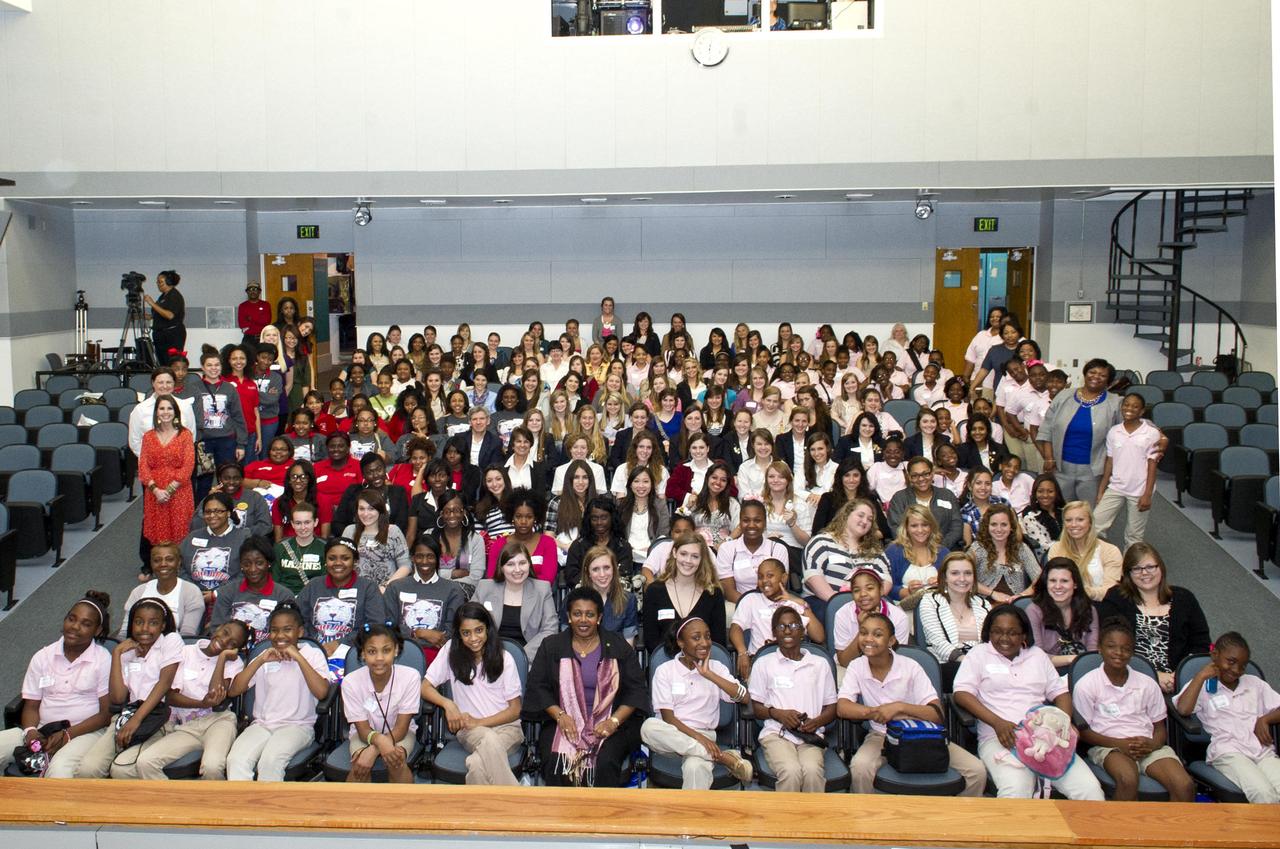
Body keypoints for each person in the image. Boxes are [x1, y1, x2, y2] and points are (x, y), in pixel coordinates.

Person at [951, 603, 1104, 799]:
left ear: (1024, 635)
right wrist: (997, 723)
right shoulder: (979, 654)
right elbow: (962, 694)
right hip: (1000, 737)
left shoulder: (1037, 656)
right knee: (1016, 791)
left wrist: (1062, 723)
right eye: (997, 632)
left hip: (1046, 736)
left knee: (1090, 791)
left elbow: (1060, 693)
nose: (1004, 638)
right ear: (989, 632)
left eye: (1012, 633)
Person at [839, 611, 986, 796]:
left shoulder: (911, 666)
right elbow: (843, 707)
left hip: (922, 734)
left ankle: (955, 821)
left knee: (977, 770)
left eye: (877, 634)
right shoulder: (856, 666)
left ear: (891, 641)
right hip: (881, 735)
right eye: (863, 632)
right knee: (860, 767)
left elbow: (936, 715)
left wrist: (899, 707)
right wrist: (875, 712)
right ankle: (869, 821)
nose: (868, 639)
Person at [524, 586, 650, 787]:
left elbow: (635, 691)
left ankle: (600, 816)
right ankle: (562, 815)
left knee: (604, 762)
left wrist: (613, 721)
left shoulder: (617, 646)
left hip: (611, 724)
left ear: (599, 617)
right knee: (557, 761)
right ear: (569, 616)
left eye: (590, 614)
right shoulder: (552, 646)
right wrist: (560, 716)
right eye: (577, 614)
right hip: (562, 721)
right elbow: (538, 687)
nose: (583, 620)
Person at [1075, 617, 1195, 802]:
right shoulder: (1087, 685)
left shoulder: (1147, 683)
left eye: (1125, 648)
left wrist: (1152, 745)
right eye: (1111, 646)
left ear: (1132, 651)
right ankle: (1124, 831)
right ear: (1100, 648)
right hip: (1108, 746)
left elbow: (1160, 727)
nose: (1119, 653)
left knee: (1184, 785)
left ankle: (1172, 830)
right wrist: (1120, 744)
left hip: (1149, 745)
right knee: (1128, 778)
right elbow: (1084, 733)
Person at [0, 593, 113, 777]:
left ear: (98, 630)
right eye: (71, 619)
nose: (75, 627)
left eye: (85, 624)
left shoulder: (103, 659)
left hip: (85, 733)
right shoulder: (42, 656)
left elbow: (106, 714)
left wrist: (67, 734)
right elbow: (31, 707)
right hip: (43, 730)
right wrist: (31, 732)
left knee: (59, 771)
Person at [125, 619, 248, 781]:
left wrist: (222, 659)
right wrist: (201, 703)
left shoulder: (234, 662)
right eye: (225, 633)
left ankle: (211, 805)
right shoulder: (185, 652)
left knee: (212, 766)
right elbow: (170, 696)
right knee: (145, 763)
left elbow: (215, 696)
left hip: (218, 721)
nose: (225, 641)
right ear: (218, 627)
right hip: (186, 726)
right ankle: (174, 803)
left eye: (232, 643)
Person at [641, 614, 755, 788]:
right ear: (681, 642)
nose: (704, 642)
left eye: (707, 636)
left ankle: (692, 815)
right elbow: (668, 718)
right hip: (671, 735)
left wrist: (709, 674)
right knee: (648, 727)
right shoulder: (665, 670)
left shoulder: (717, 668)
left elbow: (744, 697)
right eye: (696, 638)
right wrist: (699, 739)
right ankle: (724, 758)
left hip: (706, 733)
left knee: (695, 767)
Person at [421, 602, 525, 785]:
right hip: (470, 730)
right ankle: (518, 803)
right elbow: (425, 687)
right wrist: (448, 704)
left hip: (508, 729)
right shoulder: (450, 651)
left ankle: (481, 813)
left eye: (479, 630)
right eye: (466, 633)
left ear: (488, 630)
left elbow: (515, 710)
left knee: (476, 763)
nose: (473, 638)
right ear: (459, 634)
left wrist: (480, 722)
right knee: (488, 740)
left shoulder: (504, 658)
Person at [78, 598, 183, 778]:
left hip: (158, 718)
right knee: (88, 768)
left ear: (163, 625)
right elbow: (118, 698)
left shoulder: (170, 641)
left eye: (153, 623)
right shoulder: (127, 650)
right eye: (139, 622)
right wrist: (118, 654)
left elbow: (164, 684)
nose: (144, 628)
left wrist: (136, 720)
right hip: (126, 716)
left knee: (122, 768)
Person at [226, 602, 331, 781]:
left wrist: (298, 657)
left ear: (299, 632)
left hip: (297, 727)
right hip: (262, 725)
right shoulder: (265, 654)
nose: (280, 635)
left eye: (287, 629)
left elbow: (322, 693)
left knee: (270, 761)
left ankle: (269, 808)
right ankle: (243, 807)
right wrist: (259, 661)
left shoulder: (312, 654)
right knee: (235, 760)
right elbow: (234, 691)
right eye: (274, 630)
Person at [1175, 631, 1280, 804]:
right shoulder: (1200, 685)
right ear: (1215, 654)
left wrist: (1265, 719)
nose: (1236, 670)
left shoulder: (1254, 684)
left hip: (1261, 751)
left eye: (1243, 665)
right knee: (1264, 794)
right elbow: (1184, 709)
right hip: (1228, 752)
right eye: (1231, 662)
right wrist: (1201, 676)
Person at [1098, 542, 1210, 694]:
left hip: (1179, 679)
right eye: (1137, 569)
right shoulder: (1115, 599)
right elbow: (1110, 647)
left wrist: (1180, 674)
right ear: (1128, 574)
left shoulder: (1184, 598)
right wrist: (1153, 674)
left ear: (1161, 567)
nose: (1144, 573)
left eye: (1150, 567)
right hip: (1130, 678)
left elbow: (1201, 643)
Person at [748, 606, 838, 792]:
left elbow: (831, 708)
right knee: (791, 771)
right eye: (781, 627)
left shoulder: (819, 665)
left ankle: (813, 819)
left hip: (810, 737)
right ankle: (786, 821)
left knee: (812, 771)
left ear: (803, 631)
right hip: (777, 734)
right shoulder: (764, 664)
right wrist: (778, 714)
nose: (787, 630)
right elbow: (755, 708)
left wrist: (816, 722)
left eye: (793, 625)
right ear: (774, 633)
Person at [339, 624, 419, 784]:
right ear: (362, 654)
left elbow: (401, 729)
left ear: (396, 650)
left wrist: (374, 749)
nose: (379, 658)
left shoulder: (411, 677)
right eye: (372, 651)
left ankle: (401, 808)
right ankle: (356, 809)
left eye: (386, 650)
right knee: (360, 765)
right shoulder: (350, 682)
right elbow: (362, 731)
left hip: (400, 733)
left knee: (395, 760)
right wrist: (379, 744)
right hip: (364, 734)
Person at [1036, 358, 1122, 504]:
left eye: (1102, 375)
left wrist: (1160, 436)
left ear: (1109, 380)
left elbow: (1132, 424)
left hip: (1093, 471)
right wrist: (1049, 458)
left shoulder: (1115, 403)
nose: (1095, 377)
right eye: (1092, 372)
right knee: (1061, 509)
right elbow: (1047, 429)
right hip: (1061, 467)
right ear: (1085, 374)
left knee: (1089, 513)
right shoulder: (1064, 396)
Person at [1094, 392, 1166, 550]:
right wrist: (1101, 490)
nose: (1129, 408)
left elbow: (1152, 466)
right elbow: (1109, 462)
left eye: (1135, 406)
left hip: (1139, 490)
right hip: (1116, 487)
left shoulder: (1151, 433)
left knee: (1134, 535)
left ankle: (1129, 570)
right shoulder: (1114, 431)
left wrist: (1147, 494)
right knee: (1095, 525)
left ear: (1141, 411)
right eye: (1126, 404)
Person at [296, 537, 388, 658]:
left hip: (354, 652)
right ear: (325, 560)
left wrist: (341, 643)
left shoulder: (368, 588)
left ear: (355, 561)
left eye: (345, 558)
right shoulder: (314, 585)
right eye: (332, 558)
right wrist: (311, 643)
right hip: (313, 651)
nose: (338, 563)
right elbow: (297, 618)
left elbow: (375, 625)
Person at [802, 498, 891, 619]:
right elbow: (812, 577)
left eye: (870, 519)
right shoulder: (822, 542)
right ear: (846, 515)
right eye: (860, 515)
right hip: (824, 602)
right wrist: (840, 604)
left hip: (867, 604)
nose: (865, 521)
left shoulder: (875, 551)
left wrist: (869, 602)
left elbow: (886, 580)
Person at [384, 535, 466, 662]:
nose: (424, 561)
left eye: (430, 556)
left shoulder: (453, 590)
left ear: (438, 558)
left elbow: (452, 631)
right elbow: (388, 624)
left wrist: (434, 638)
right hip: (401, 652)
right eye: (419, 556)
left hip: (440, 656)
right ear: (412, 558)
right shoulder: (395, 587)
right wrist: (418, 633)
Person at [474, 539, 558, 661]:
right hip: (489, 657)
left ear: (529, 564)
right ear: (501, 567)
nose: (518, 570)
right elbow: (469, 622)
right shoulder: (485, 587)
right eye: (510, 564)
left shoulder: (542, 589)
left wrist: (519, 657)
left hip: (528, 659)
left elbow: (550, 629)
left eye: (522, 563)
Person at [917, 552, 991, 690]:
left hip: (981, 663)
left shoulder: (983, 604)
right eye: (955, 573)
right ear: (944, 577)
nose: (962, 579)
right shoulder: (930, 601)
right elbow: (938, 643)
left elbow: (989, 642)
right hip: (947, 665)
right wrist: (968, 661)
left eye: (968, 573)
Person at [138, 395, 196, 568]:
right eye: (162, 408)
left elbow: (188, 465)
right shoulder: (148, 437)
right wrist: (156, 490)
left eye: (169, 408)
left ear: (175, 412)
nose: (165, 412)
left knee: (180, 528)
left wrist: (169, 490)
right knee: (157, 530)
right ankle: (161, 565)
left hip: (179, 490)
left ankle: (180, 565)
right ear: (156, 412)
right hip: (155, 492)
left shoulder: (185, 435)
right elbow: (143, 466)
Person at [644, 533, 728, 650]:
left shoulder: (713, 593)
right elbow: (651, 641)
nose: (688, 561)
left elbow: (718, 643)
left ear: (702, 559)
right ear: (674, 553)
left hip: (703, 664)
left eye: (695, 556)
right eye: (683, 554)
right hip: (664, 664)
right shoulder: (654, 591)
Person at [730, 558, 823, 663]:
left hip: (791, 661)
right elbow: (735, 628)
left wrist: (802, 604)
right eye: (760, 577)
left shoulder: (795, 604)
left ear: (783, 578)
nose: (764, 580)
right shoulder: (751, 599)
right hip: (760, 660)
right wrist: (742, 653)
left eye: (770, 576)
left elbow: (819, 637)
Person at [210, 537, 297, 645]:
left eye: (259, 563)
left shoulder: (284, 596)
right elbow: (217, 629)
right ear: (241, 565)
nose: (253, 569)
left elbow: (287, 636)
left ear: (269, 563)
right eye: (247, 564)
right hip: (231, 652)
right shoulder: (227, 592)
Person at [193, 349, 249, 499]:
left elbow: (238, 416)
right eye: (209, 365)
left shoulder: (229, 388)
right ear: (203, 368)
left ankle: (228, 508)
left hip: (226, 440)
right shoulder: (195, 388)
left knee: (226, 477)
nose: (213, 368)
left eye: (217, 365)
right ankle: (202, 510)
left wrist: (241, 444)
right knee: (204, 480)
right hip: (204, 441)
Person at [118, 543, 205, 638]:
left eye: (169, 559)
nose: (163, 564)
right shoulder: (138, 592)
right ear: (151, 563)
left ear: (179, 562)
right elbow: (124, 633)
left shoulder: (191, 592)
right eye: (157, 560)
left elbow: (188, 636)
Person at [180, 493, 252, 606]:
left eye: (218, 511)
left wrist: (217, 594)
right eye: (208, 512)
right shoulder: (193, 536)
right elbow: (180, 566)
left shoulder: (244, 537)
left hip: (231, 598)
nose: (212, 515)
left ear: (228, 513)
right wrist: (193, 591)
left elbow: (246, 572)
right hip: (192, 597)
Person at [1026, 558, 1099, 669]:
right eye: (1053, 581)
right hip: (1045, 673)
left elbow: (1092, 653)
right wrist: (1074, 659)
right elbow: (1037, 658)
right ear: (1046, 583)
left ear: (1075, 584)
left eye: (1064, 581)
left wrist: (1081, 662)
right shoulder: (1033, 611)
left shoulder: (1089, 610)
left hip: (1081, 671)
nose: (1058, 586)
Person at [1048, 500, 1123, 602]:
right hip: (1065, 604)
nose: (1073, 524)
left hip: (1100, 605)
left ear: (1090, 522)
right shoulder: (1056, 549)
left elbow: (1111, 590)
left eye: (1080, 519)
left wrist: (1086, 592)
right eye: (1069, 520)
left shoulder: (1110, 551)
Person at [887, 456, 964, 550]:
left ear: (932, 474)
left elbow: (956, 526)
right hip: (910, 552)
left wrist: (940, 548)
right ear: (909, 477)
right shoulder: (899, 498)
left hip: (945, 551)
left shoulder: (947, 495)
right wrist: (917, 549)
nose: (921, 479)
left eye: (925, 474)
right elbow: (896, 528)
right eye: (915, 475)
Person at [968, 504, 1040, 604]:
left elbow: (1040, 579)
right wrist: (992, 593)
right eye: (994, 524)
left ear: (1011, 526)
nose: (999, 529)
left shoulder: (1021, 548)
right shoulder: (977, 549)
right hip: (984, 605)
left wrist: (1021, 596)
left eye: (1004, 524)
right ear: (987, 526)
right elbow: (964, 578)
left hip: (1016, 605)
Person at [341, 489, 411, 589]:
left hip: (386, 591)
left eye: (371, 509)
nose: (366, 514)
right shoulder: (350, 531)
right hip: (356, 590)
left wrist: (385, 587)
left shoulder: (393, 531)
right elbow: (343, 564)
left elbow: (406, 566)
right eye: (361, 509)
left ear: (380, 510)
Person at [572, 546, 639, 645]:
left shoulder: (628, 600)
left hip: (616, 657)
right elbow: (568, 643)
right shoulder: (573, 600)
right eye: (595, 569)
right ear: (588, 572)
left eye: (606, 568)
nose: (602, 574)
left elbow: (628, 646)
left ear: (614, 568)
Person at [884, 504, 948, 605]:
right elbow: (886, 588)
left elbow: (955, 584)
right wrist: (908, 592)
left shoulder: (943, 552)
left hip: (939, 608)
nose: (920, 530)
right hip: (904, 610)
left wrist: (942, 584)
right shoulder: (893, 552)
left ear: (931, 526)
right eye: (914, 526)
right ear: (906, 528)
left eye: (925, 525)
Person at [127, 368, 198, 456]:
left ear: (174, 383)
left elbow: (191, 437)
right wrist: (150, 460)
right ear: (153, 383)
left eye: (168, 382)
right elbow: (134, 441)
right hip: (150, 464)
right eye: (160, 382)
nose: (165, 386)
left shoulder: (185, 406)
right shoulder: (140, 409)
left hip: (179, 463)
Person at [271, 501, 327, 594]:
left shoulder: (325, 547)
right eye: (298, 523)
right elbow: (275, 581)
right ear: (292, 524)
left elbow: (325, 582)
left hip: (313, 596)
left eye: (307, 522)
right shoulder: (280, 547)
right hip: (285, 597)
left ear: (315, 522)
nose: (303, 527)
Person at [1019, 473, 1064, 560]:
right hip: (1049, 557)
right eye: (1040, 491)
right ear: (1035, 493)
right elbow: (1043, 547)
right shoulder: (1030, 516)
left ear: (1056, 493)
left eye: (1050, 491)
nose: (1045, 495)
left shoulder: (1064, 511)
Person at [147, 270, 186, 366]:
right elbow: (160, 314)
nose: (158, 284)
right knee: (163, 364)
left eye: (160, 282)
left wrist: (151, 303)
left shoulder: (174, 296)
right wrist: (145, 316)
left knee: (172, 363)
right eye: (157, 282)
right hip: (160, 335)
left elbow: (169, 315)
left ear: (169, 282)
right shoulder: (162, 297)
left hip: (172, 336)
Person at [960, 467, 1006, 547]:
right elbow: (968, 547)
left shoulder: (1002, 502)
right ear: (970, 486)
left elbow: (1017, 533)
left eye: (987, 484)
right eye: (978, 483)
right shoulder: (966, 512)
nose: (983, 487)